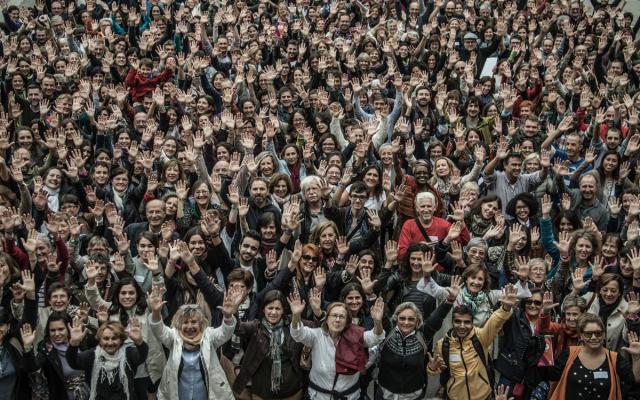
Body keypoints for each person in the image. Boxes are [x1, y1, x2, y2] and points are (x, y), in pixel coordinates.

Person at [147, 284, 242, 400]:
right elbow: (159, 330)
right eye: (185, 322)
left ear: (200, 324)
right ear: (179, 324)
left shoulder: (208, 336)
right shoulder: (173, 337)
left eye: (193, 322)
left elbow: (225, 332)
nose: (189, 326)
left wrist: (227, 316)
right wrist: (156, 312)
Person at [426, 284, 519, 400]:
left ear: (472, 323)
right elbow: (436, 370)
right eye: (458, 321)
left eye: (467, 322)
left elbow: (495, 321)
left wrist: (505, 308)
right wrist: (432, 368)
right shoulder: (443, 344)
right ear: (452, 322)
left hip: (483, 396)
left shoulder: (481, 336)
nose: (462, 326)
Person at [289, 291, 386, 400]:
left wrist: (377, 322)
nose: (338, 319)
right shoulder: (317, 335)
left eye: (342, 317)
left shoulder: (356, 335)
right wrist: (296, 315)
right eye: (334, 315)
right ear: (327, 319)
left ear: (347, 321)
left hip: (350, 396)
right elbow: (298, 333)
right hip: (319, 396)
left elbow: (376, 337)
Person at [546, 313, 640, 399]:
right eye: (588, 334)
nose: (594, 337)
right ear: (581, 335)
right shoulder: (569, 354)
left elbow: (634, 380)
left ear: (604, 335)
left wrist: (636, 358)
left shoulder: (614, 358)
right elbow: (550, 374)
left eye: (598, 333)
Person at [66, 318, 148, 400]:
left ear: (121, 340)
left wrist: (139, 341)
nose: (110, 342)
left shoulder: (129, 354)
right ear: (100, 340)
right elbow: (74, 362)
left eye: (114, 338)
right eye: (106, 338)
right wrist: (74, 343)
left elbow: (142, 355)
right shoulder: (92, 355)